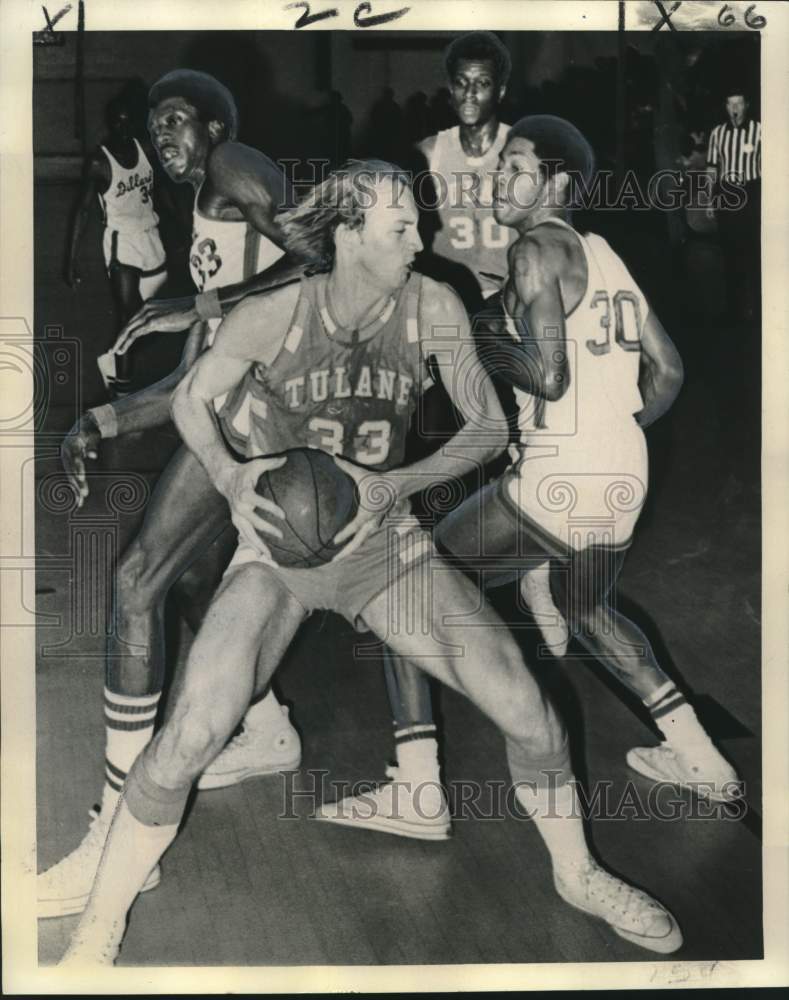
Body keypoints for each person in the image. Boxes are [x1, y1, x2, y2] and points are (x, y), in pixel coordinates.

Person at [61, 161, 683, 964]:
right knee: (187, 736)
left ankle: (577, 872)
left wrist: (394, 487)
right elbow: (189, 399)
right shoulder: (273, 313)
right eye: (400, 229)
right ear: (350, 234)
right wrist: (230, 473)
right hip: (277, 554)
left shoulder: (432, 304)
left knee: (526, 704)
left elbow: (487, 429)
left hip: (384, 548)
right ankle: (96, 932)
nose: (418, 240)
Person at [323, 117, 741, 839]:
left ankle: (416, 789)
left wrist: (481, 336)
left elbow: (545, 376)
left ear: (555, 183)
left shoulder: (531, 250)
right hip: (622, 472)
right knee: (588, 610)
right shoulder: (603, 253)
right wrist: (614, 431)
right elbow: (667, 370)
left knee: (399, 583)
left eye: (515, 166)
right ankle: (703, 759)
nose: (497, 179)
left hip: (563, 476)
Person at [38, 70, 305, 921]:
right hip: (239, 402)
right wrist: (101, 420)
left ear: (216, 121)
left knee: (136, 580)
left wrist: (206, 301)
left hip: (280, 411)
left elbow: (315, 253)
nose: (165, 136)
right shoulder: (204, 211)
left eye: (178, 119)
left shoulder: (235, 164)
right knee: (189, 581)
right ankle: (265, 727)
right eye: (157, 126)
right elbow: (192, 382)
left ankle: (117, 831)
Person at [65, 91, 169, 393]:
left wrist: (186, 227)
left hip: (151, 237)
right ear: (110, 123)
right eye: (117, 123)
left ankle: (112, 357)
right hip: (121, 241)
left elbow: (161, 193)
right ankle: (123, 386)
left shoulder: (147, 149)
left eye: (128, 123)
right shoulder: (99, 161)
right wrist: (70, 260)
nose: (123, 129)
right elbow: (81, 210)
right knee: (130, 315)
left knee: (154, 320)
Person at [704, 87, 761, 324]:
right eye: (730, 104)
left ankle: (759, 308)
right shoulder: (718, 133)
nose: (735, 109)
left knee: (754, 252)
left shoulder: (760, 131)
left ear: (746, 105)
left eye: (739, 104)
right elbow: (711, 169)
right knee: (730, 252)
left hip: (752, 192)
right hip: (727, 194)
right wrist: (709, 200)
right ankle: (734, 309)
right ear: (726, 107)